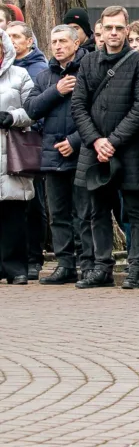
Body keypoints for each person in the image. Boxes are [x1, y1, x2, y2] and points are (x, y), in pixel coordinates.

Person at [70, 5, 139, 289]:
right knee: (97, 210)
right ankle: (101, 268)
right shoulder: (88, 62)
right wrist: (96, 140)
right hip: (93, 149)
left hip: (129, 149)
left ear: (127, 30)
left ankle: (137, 268)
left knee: (135, 209)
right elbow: (78, 105)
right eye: (109, 28)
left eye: (119, 28)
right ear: (101, 30)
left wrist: (113, 141)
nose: (114, 33)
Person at [26, 25, 94, 285]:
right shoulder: (45, 76)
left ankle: (87, 263)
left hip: (81, 152)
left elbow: (97, 110)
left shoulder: (88, 70)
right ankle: (65, 264)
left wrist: (75, 141)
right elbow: (31, 109)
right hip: (52, 155)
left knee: (84, 213)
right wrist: (57, 90)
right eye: (54, 41)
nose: (58, 46)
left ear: (76, 44)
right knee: (58, 214)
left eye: (63, 41)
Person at [7, 20, 47, 279]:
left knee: (32, 203)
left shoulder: (36, 69)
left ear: (29, 41)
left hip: (27, 144)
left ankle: (34, 257)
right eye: (8, 36)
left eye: (16, 36)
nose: (11, 41)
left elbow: (36, 109)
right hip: (6, 146)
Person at [0, 29, 36, 284]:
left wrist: (12, 117)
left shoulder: (20, 74)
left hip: (11, 151)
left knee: (13, 213)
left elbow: (34, 109)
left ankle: (16, 268)